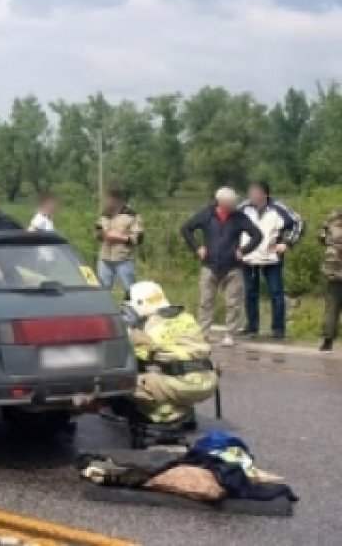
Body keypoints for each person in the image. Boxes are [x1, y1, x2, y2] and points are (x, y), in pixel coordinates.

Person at [120, 280, 218, 425]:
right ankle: (182, 404)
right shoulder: (186, 317)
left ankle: (170, 413)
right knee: (165, 373)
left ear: (140, 304)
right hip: (209, 381)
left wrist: (129, 332)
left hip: (184, 384)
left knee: (123, 384)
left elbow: (136, 357)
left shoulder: (148, 328)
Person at [180, 187, 263, 347]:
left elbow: (257, 235)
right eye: (231, 203)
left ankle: (230, 334)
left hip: (233, 266)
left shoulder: (239, 217)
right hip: (210, 265)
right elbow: (186, 229)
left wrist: (243, 250)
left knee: (233, 302)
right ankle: (203, 333)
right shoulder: (207, 214)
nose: (234, 205)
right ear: (221, 202)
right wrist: (197, 247)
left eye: (234, 202)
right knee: (206, 301)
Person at [238, 182, 304, 339]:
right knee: (250, 293)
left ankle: (278, 329)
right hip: (249, 256)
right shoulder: (243, 208)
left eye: (255, 192)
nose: (251, 195)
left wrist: (287, 243)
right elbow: (232, 225)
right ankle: (252, 326)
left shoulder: (278, 208)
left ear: (264, 194)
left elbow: (298, 223)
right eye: (250, 192)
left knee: (276, 293)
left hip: (271, 256)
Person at [95, 188, 143, 291]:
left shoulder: (131, 215)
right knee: (103, 291)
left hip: (123, 260)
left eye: (110, 200)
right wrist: (101, 234)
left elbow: (139, 238)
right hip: (105, 259)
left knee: (131, 291)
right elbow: (98, 231)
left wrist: (119, 238)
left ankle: (131, 307)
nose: (107, 202)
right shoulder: (105, 215)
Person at [320, 207, 342, 352]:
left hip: (334, 269)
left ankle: (327, 341)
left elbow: (321, 238)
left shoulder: (332, 217)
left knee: (332, 306)